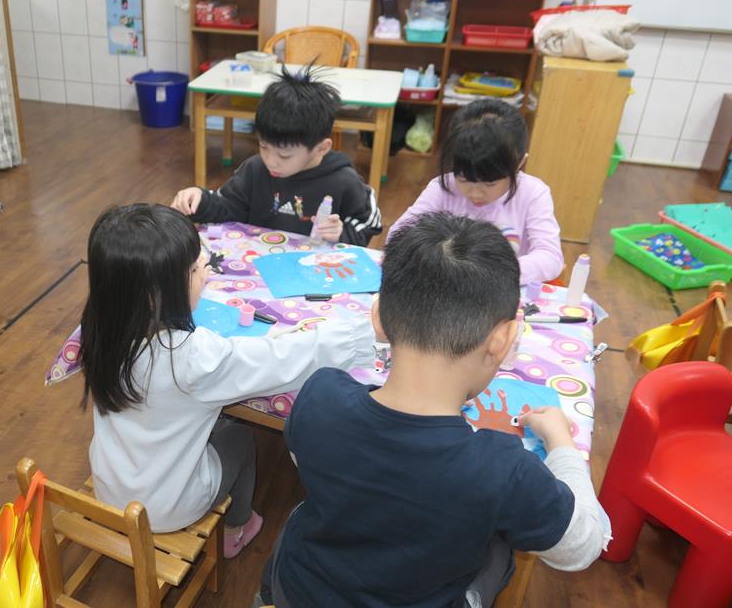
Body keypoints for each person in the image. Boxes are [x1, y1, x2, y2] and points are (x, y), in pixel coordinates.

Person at [259, 212, 610, 607]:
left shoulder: (320, 395)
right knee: (499, 548)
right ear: (504, 339)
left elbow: (307, 458)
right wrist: (562, 446)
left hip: (295, 591)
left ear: (378, 317)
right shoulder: (504, 472)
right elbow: (581, 547)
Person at [79, 203, 374, 558]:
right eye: (194, 268)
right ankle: (238, 526)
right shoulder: (191, 358)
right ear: (155, 296)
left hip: (110, 487)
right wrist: (363, 332)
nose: (206, 271)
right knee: (240, 437)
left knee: (205, 418)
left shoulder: (98, 328)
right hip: (166, 508)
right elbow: (281, 359)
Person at [171, 65, 382, 246]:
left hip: (315, 271)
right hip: (257, 266)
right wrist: (199, 200)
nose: (271, 161)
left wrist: (342, 234)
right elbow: (228, 206)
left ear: (321, 148)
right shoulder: (255, 169)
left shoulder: (343, 180)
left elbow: (369, 222)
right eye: (263, 146)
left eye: (285, 156)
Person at [385, 100, 563, 285]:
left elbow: (550, 257)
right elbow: (398, 234)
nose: (475, 193)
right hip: (448, 286)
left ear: (519, 163)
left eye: (490, 183)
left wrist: (492, 273)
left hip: (500, 291)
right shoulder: (442, 187)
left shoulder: (533, 194)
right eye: (463, 179)